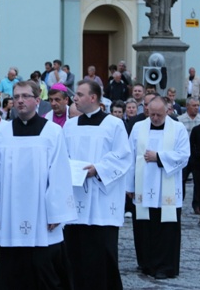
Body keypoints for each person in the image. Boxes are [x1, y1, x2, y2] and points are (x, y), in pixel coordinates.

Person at [0, 81, 76, 289]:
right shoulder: (2, 133)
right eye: (16, 97)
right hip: (10, 215)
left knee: (45, 271)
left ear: (37, 100)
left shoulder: (53, 132)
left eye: (25, 96)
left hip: (43, 216)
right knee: (13, 271)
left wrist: (57, 213)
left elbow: (60, 173)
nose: (20, 101)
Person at [63, 80, 132, 289]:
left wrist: (98, 169)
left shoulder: (114, 124)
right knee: (75, 252)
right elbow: (62, 157)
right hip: (77, 199)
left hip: (103, 200)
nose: (75, 97)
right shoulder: (70, 126)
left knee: (102, 252)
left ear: (93, 98)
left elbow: (123, 156)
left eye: (80, 94)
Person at [127, 96, 190, 279]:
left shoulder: (177, 129)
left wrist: (159, 157)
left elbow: (184, 156)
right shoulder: (138, 128)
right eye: (152, 114)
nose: (155, 118)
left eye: (159, 114)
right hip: (143, 186)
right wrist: (129, 185)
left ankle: (166, 267)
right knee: (145, 228)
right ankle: (146, 263)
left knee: (166, 230)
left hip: (166, 188)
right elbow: (130, 157)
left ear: (168, 111)